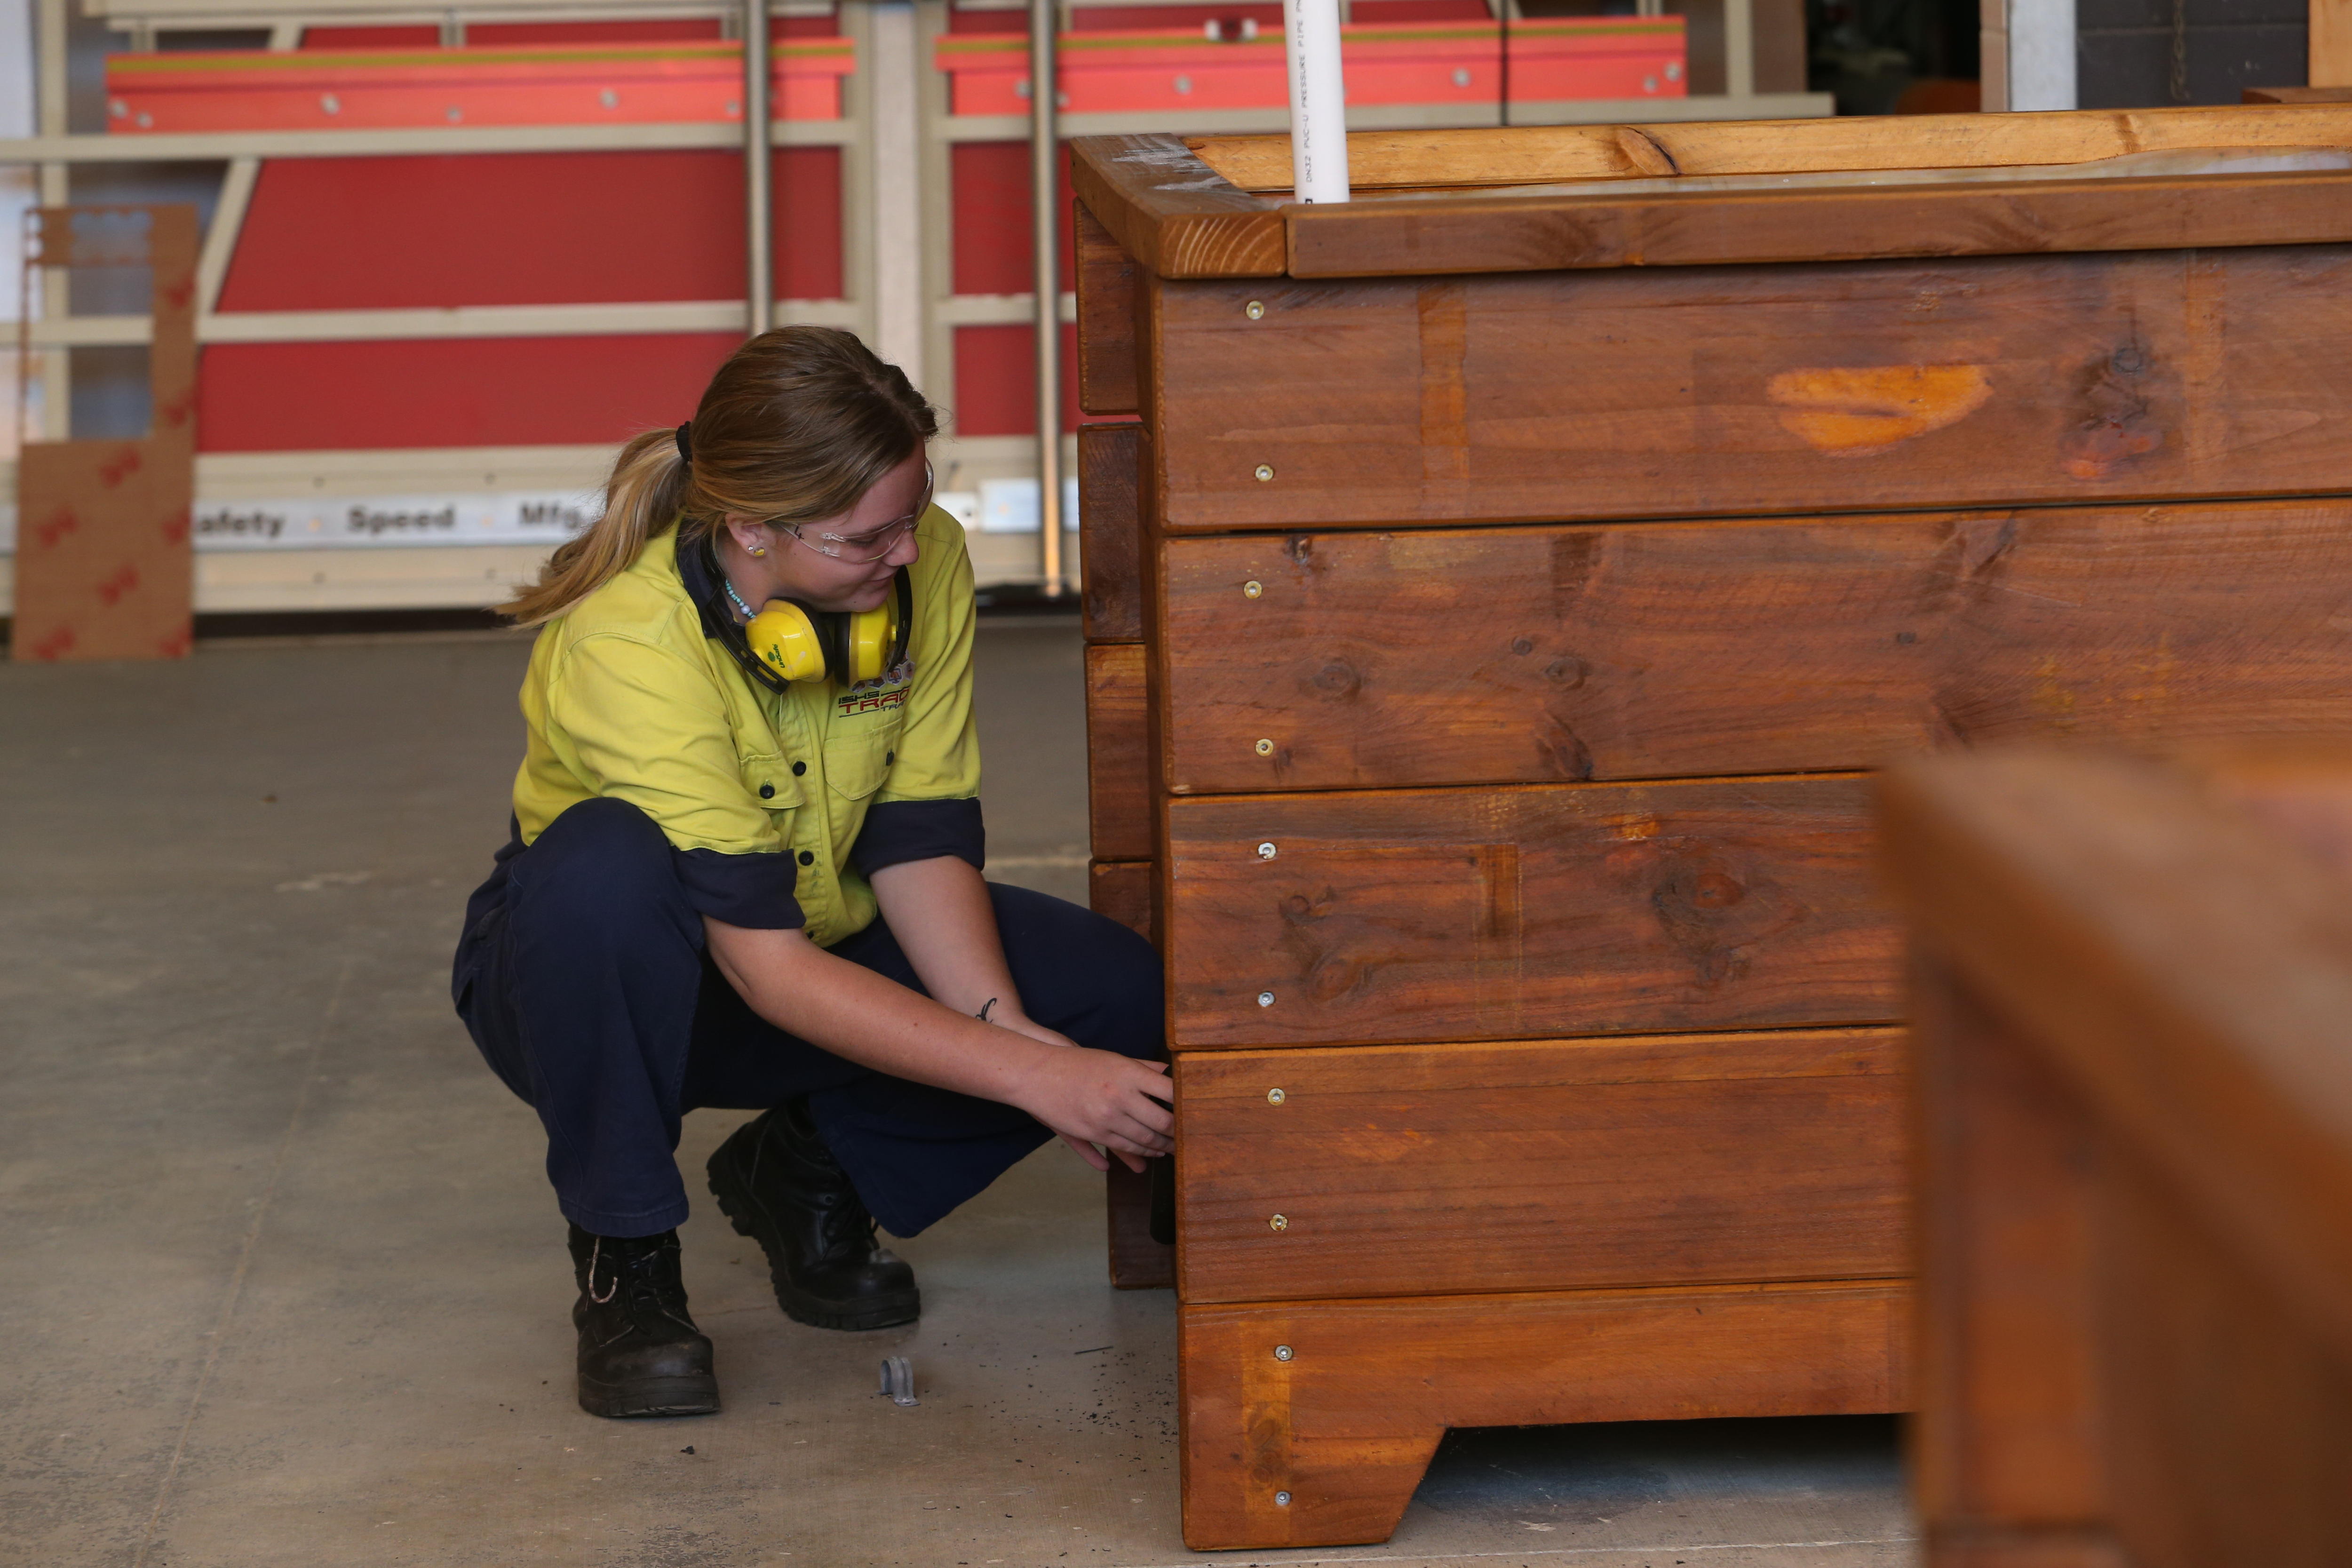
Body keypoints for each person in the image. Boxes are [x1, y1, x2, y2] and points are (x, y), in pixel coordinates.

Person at [448, 326, 1172, 1420]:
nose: (909, 554)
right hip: (611, 979)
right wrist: (1030, 1082)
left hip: (808, 933)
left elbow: (917, 835)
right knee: (603, 866)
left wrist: (1018, 1036)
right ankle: (625, 1260)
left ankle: (807, 1169)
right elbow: (768, 971)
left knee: (1114, 996)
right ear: (750, 527)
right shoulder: (630, 644)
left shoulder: (918, 558)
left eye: (917, 511)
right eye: (868, 537)